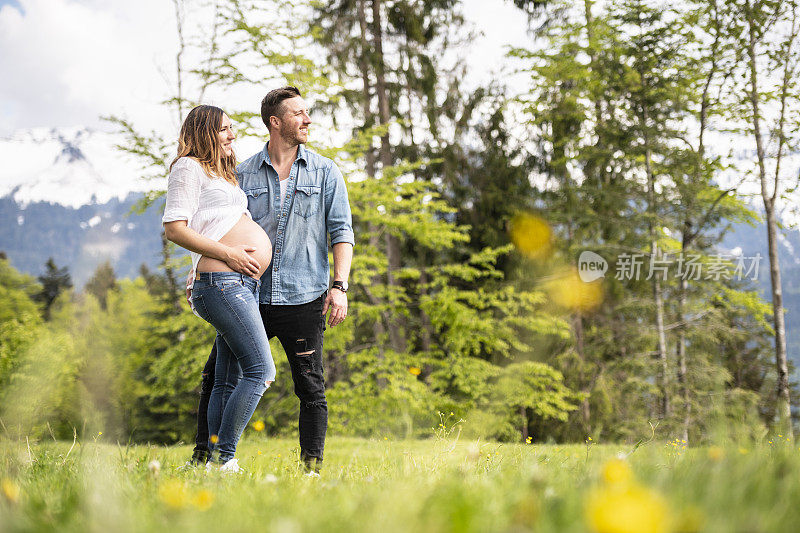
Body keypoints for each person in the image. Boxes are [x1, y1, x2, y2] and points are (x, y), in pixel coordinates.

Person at [187, 87, 354, 476]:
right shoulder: (239, 172)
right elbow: (212, 225)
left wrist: (340, 285)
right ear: (275, 122)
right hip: (246, 295)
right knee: (215, 379)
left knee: (311, 389)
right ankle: (204, 461)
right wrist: (198, 270)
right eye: (299, 114)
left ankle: (311, 471)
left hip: (304, 297)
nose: (308, 120)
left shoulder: (326, 171)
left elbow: (341, 232)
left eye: (306, 112)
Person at [163, 105, 276, 473]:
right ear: (205, 132)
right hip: (223, 283)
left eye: (232, 129)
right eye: (225, 129)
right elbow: (176, 228)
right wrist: (227, 253)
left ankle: (210, 463)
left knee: (226, 380)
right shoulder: (188, 167)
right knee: (261, 370)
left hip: (241, 282)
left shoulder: (222, 174)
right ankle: (225, 460)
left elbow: (211, 223)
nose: (232, 135)